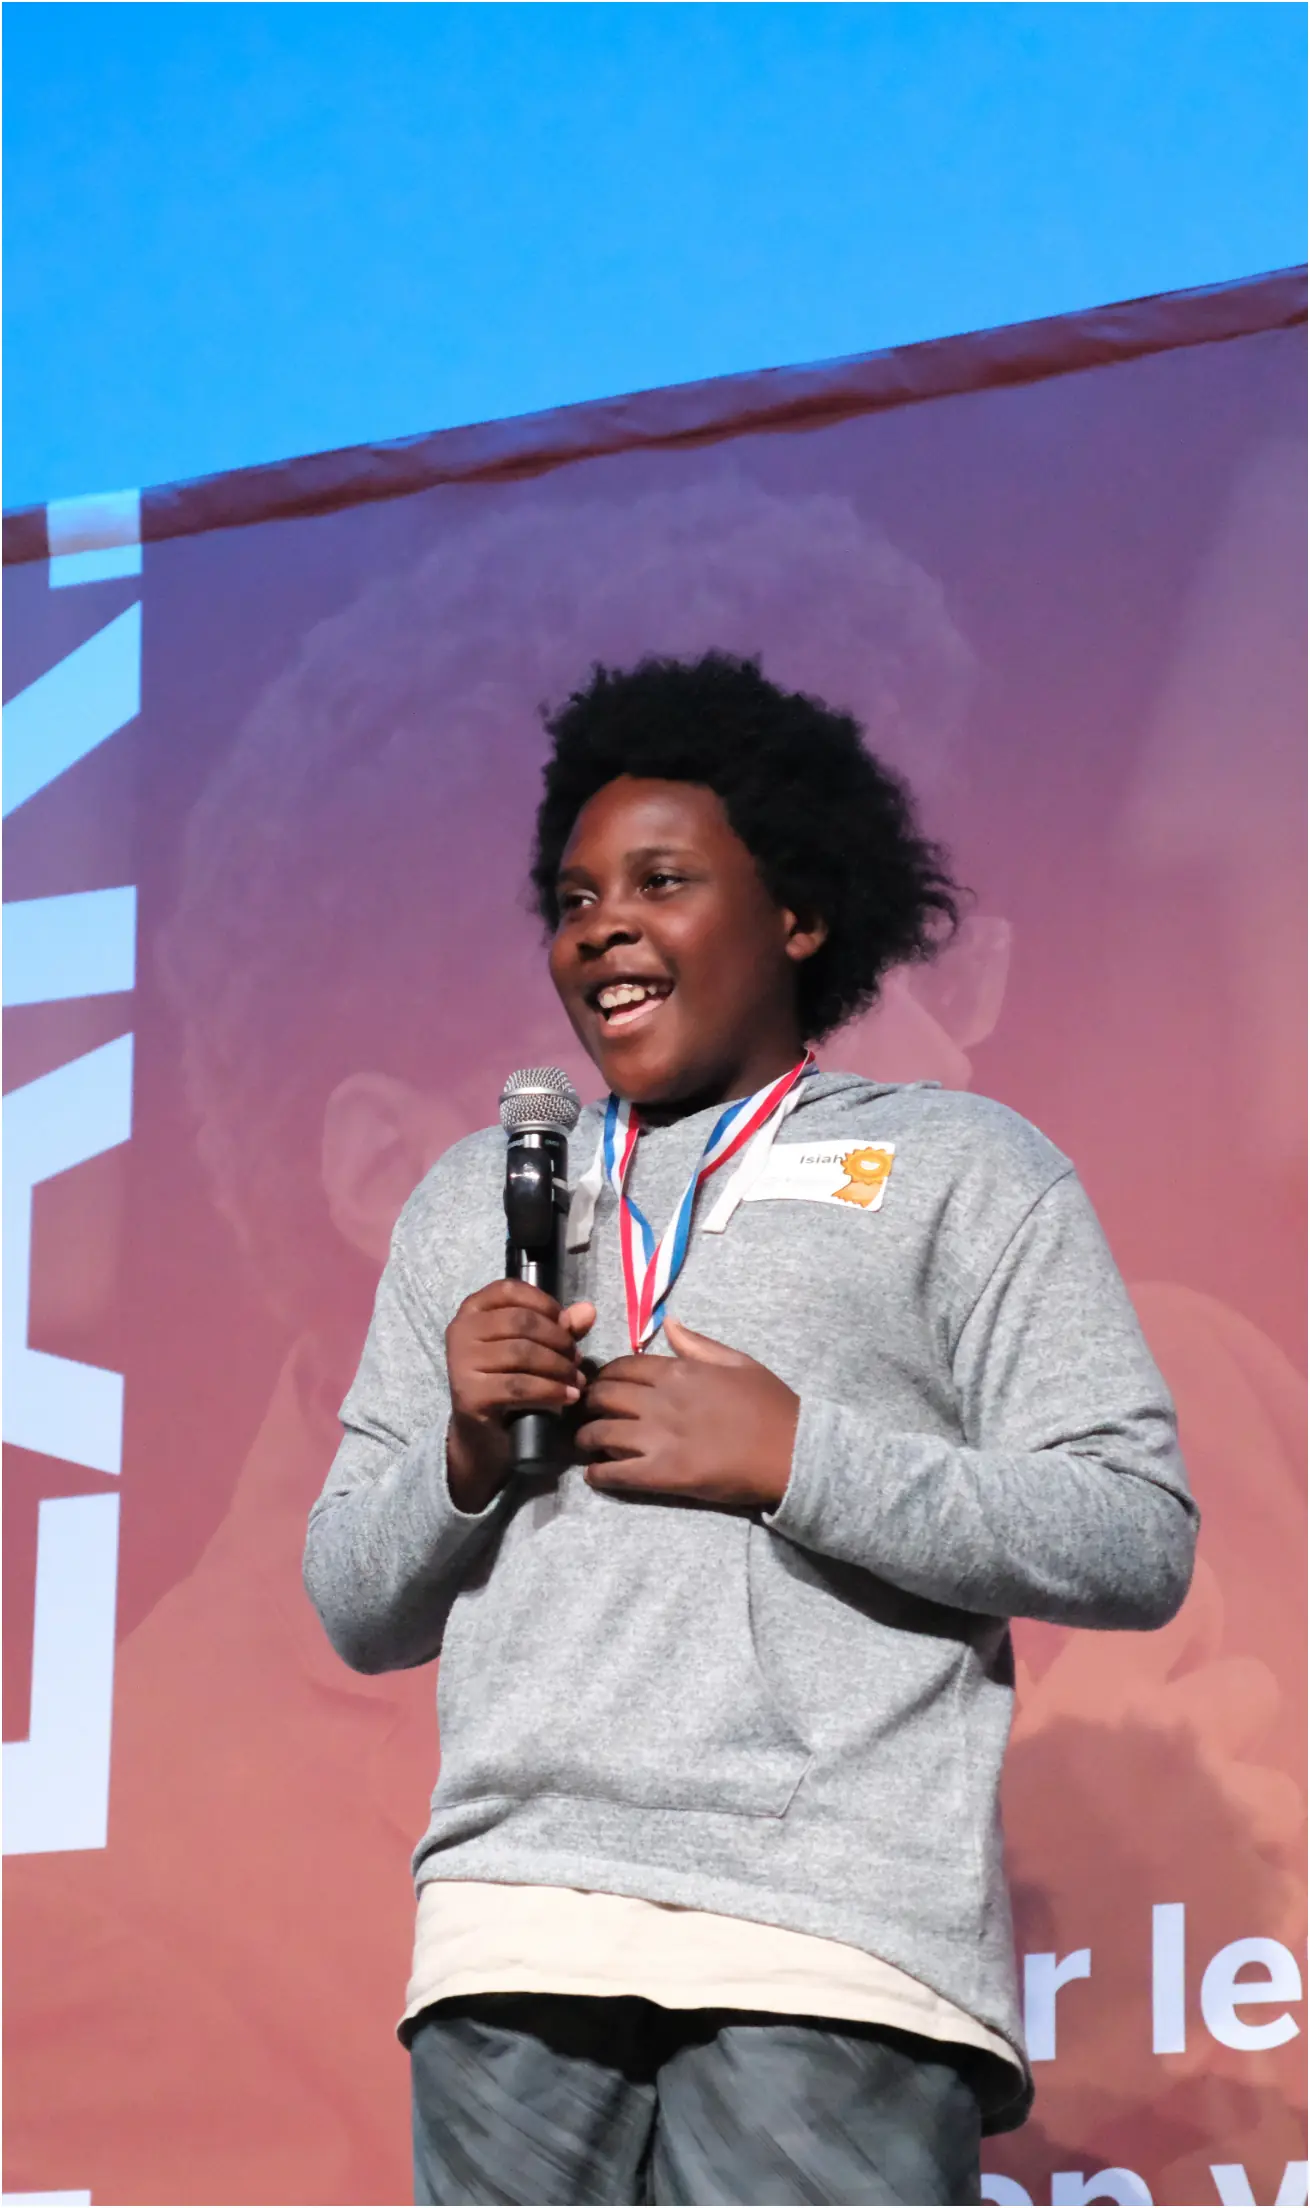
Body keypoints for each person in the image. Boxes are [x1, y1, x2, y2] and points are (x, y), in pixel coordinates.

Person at [303, 650, 1199, 2208]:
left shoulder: (958, 1165)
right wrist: (456, 1457)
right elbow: (350, 1601)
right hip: (516, 1919)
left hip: (827, 1934)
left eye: (661, 879)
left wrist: (801, 1460)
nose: (603, 926)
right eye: (574, 897)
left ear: (795, 913)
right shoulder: (474, 1194)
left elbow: (1132, 1530)